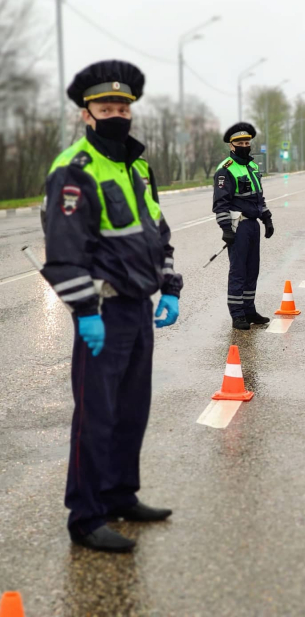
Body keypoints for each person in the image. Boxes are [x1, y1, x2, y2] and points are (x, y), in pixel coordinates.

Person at [42, 60, 183, 553]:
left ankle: (121, 494)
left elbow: (155, 232)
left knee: (131, 409)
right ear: (87, 114)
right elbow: (64, 252)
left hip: (139, 308)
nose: (116, 113)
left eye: (123, 106)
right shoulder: (74, 170)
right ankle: (86, 516)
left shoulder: (137, 165)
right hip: (102, 313)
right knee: (96, 416)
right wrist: (84, 312)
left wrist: (170, 285)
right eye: (106, 107)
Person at [213, 123, 274, 330]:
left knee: (252, 270)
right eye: (240, 143)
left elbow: (258, 197)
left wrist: (267, 218)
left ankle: (249, 310)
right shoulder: (225, 169)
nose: (244, 145)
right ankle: (237, 314)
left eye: (247, 142)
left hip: (253, 226)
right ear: (231, 146)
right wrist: (226, 229)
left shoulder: (253, 167)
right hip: (238, 226)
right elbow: (220, 203)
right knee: (238, 271)